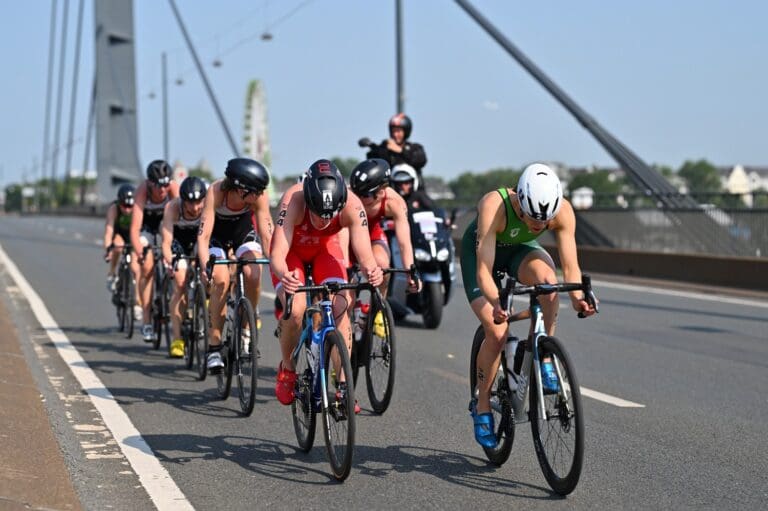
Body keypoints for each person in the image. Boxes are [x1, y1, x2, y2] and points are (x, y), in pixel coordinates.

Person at [461, 162, 597, 449]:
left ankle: (544, 353)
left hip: (518, 252)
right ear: (520, 201)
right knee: (497, 331)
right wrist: (497, 302)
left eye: (543, 223)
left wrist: (578, 300)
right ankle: (482, 403)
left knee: (549, 285)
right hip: (483, 256)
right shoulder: (494, 205)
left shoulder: (562, 212)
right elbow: (484, 272)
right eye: (533, 220)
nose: (538, 226)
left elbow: (570, 268)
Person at [270, 159, 383, 407]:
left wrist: (372, 270)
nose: (323, 221)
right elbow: (277, 254)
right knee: (296, 309)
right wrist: (284, 274)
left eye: (329, 216)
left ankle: (343, 386)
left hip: (325, 250)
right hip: (293, 253)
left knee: (342, 304)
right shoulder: (294, 201)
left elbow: (364, 253)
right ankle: (288, 369)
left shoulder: (352, 204)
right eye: (317, 214)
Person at [197, 158, 273, 373]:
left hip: (243, 233)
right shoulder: (216, 192)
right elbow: (203, 238)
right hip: (216, 237)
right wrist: (206, 267)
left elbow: (267, 235)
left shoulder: (259, 195)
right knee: (220, 280)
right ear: (239, 189)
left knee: (254, 272)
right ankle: (214, 346)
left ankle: (247, 328)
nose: (258, 196)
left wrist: (276, 262)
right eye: (254, 192)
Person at [349, 158, 420, 297]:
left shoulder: (395, 203)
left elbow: (404, 243)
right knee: (347, 288)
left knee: (383, 265)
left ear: (381, 192)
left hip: (372, 234)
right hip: (347, 236)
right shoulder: (348, 197)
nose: (358, 199)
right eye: (356, 192)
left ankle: (378, 304)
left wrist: (410, 273)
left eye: (364, 195)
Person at [129, 160, 180, 342]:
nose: (162, 189)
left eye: (166, 184)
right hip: (147, 227)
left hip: (165, 225)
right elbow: (135, 229)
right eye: (158, 185)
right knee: (148, 267)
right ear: (150, 183)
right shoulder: (142, 191)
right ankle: (147, 320)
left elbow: (180, 221)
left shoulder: (173, 188)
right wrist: (140, 252)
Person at [160, 176, 207, 358]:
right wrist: (170, 261)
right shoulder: (172, 208)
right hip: (178, 243)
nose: (195, 208)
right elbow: (166, 242)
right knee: (180, 284)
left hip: (198, 242)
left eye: (198, 203)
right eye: (190, 203)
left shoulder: (207, 208)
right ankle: (177, 339)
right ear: (182, 201)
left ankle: (204, 302)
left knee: (209, 274)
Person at [103, 184, 142, 321]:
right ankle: (112, 273)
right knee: (118, 246)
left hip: (133, 236)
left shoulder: (138, 209)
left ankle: (137, 303)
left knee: (136, 270)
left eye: (130, 206)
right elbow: (109, 232)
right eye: (124, 205)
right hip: (119, 234)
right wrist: (108, 249)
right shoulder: (114, 209)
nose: (127, 209)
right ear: (119, 203)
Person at [365, 113, 428, 191]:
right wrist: (373, 146)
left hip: (414, 194)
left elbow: (421, 160)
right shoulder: (385, 149)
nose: (395, 134)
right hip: (392, 191)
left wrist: (400, 151)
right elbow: (373, 160)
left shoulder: (415, 148)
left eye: (398, 131)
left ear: (406, 132)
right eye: (393, 131)